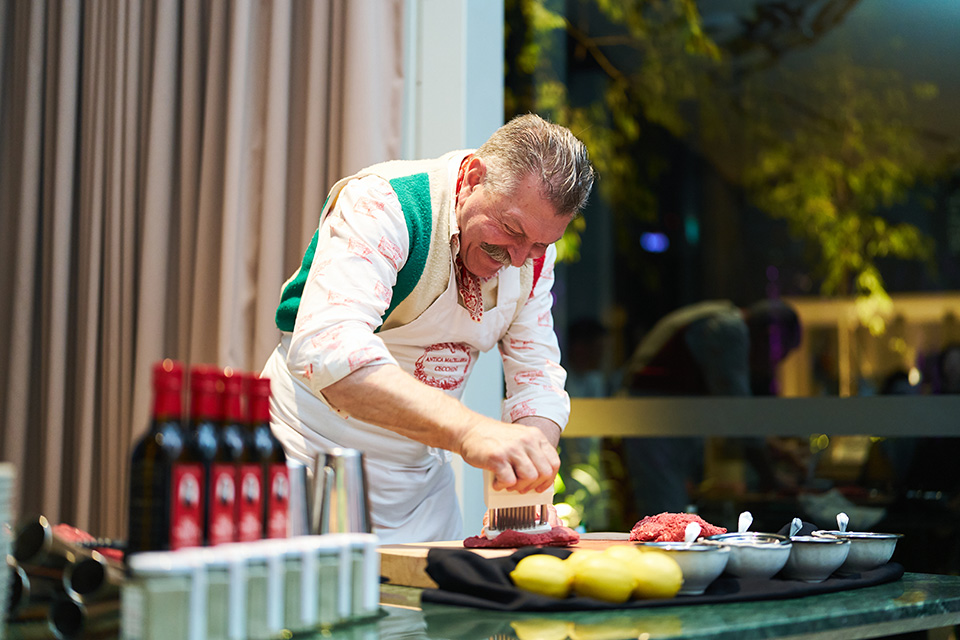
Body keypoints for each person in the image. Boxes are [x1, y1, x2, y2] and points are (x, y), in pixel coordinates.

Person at [261, 114, 595, 543]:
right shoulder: (386, 204)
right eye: (511, 230)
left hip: (421, 492)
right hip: (309, 462)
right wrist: (472, 431)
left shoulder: (530, 255)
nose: (517, 259)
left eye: (540, 245)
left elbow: (537, 376)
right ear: (475, 177)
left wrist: (529, 457)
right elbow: (332, 352)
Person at [618, 299, 804, 518]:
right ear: (768, 335)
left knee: (671, 511)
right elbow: (737, 412)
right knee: (666, 514)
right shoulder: (729, 329)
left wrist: (773, 451)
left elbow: (736, 414)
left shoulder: (722, 318)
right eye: (777, 354)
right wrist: (770, 476)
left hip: (663, 420)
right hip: (654, 423)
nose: (772, 366)